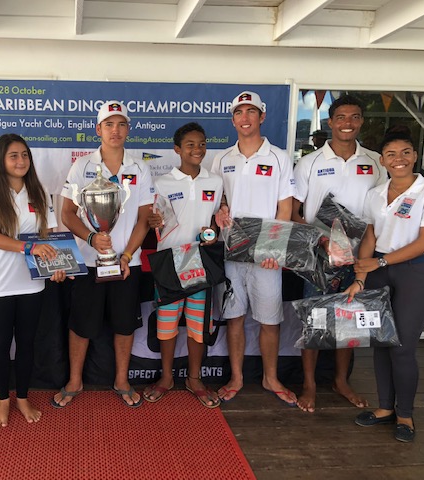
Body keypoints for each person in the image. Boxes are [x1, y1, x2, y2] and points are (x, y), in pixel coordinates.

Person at [52, 100, 153, 408]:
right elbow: (67, 213)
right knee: (81, 324)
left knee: (125, 324)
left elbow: (144, 219)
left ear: (128, 129)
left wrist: (127, 255)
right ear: (98, 129)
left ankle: (121, 380)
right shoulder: (81, 166)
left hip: (126, 263)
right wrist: (92, 237)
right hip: (87, 262)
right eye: (109, 124)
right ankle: (75, 380)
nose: (115, 130)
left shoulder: (140, 168)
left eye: (121, 124)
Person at [292, 94, 387, 413]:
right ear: (330, 122)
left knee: (349, 320)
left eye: (355, 117)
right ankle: (309, 383)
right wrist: (320, 241)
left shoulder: (375, 161)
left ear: (362, 121)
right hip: (319, 255)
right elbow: (293, 212)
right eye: (341, 117)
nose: (348, 123)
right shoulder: (310, 162)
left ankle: (341, 381)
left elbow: (381, 210)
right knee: (315, 319)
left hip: (360, 256)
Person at [211, 91, 297, 406]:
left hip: (266, 255)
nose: (244, 118)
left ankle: (270, 377)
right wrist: (220, 210)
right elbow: (217, 200)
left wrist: (275, 248)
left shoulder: (279, 158)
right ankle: (236, 377)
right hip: (231, 251)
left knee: (270, 319)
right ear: (233, 120)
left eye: (250, 112)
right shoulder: (222, 159)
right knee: (234, 317)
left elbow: (285, 208)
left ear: (262, 116)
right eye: (238, 112)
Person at [0, 134, 67, 427]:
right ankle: (3, 400)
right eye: (13, 155)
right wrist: (29, 247)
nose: (21, 161)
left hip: (32, 283)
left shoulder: (39, 191)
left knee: (27, 343)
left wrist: (57, 266)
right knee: (1, 345)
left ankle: (23, 397)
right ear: (1, 160)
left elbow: (48, 237)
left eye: (25, 155)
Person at [347, 128, 424, 443]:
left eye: (405, 152)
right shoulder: (376, 193)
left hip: (415, 271)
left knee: (403, 347)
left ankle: (404, 413)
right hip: (378, 271)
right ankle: (384, 408)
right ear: (382, 160)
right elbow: (371, 235)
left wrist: (380, 263)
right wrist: (360, 276)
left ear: (415, 156)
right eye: (391, 154)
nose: (399, 159)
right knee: (381, 341)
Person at [142, 122, 223, 408]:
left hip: (201, 262)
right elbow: (154, 221)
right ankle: (166, 377)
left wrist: (214, 233)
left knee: (198, 325)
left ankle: (194, 378)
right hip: (170, 263)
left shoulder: (215, 182)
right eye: (190, 144)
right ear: (177, 149)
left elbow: (215, 221)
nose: (197, 149)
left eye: (202, 144)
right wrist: (152, 221)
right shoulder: (162, 183)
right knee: (166, 325)